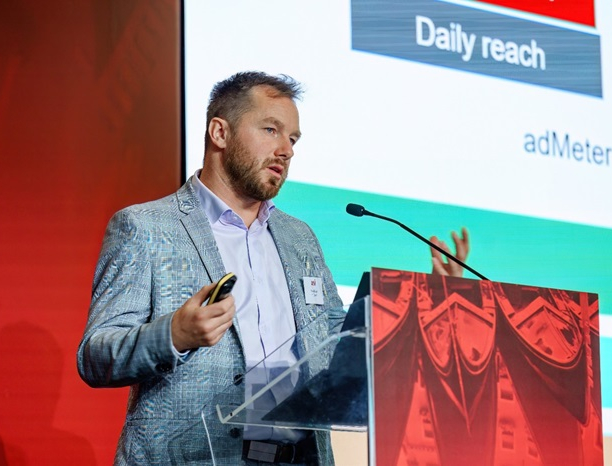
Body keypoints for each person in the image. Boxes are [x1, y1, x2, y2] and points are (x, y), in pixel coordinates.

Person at [77, 71, 470, 465]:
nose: (286, 150)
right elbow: (95, 356)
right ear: (220, 133)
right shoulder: (145, 227)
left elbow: (340, 342)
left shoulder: (300, 237)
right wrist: (175, 334)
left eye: (293, 139)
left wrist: (426, 305)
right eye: (271, 130)